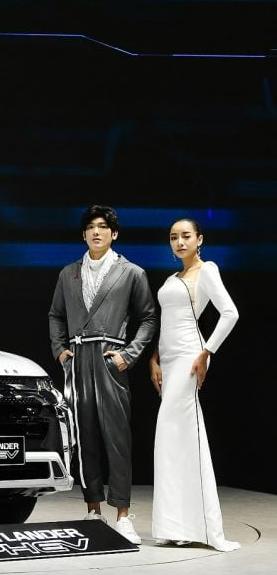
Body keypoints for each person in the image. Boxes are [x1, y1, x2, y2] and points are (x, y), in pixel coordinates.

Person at [48, 205, 157, 544]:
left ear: (114, 233)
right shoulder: (68, 273)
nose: (97, 232)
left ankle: (123, 515)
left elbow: (148, 318)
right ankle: (93, 510)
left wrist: (129, 355)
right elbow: (55, 315)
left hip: (111, 357)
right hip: (79, 358)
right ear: (84, 234)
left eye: (103, 227)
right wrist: (60, 349)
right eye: (91, 227)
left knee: (117, 438)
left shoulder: (131, 272)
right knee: (85, 437)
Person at [149, 219, 239, 551]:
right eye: (174, 237)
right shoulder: (172, 278)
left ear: (199, 239)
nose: (180, 242)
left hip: (190, 356)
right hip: (169, 359)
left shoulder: (207, 270)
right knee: (171, 439)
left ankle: (204, 528)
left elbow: (230, 313)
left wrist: (206, 352)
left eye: (186, 236)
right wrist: (154, 358)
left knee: (179, 433)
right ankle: (176, 526)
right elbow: (166, 323)